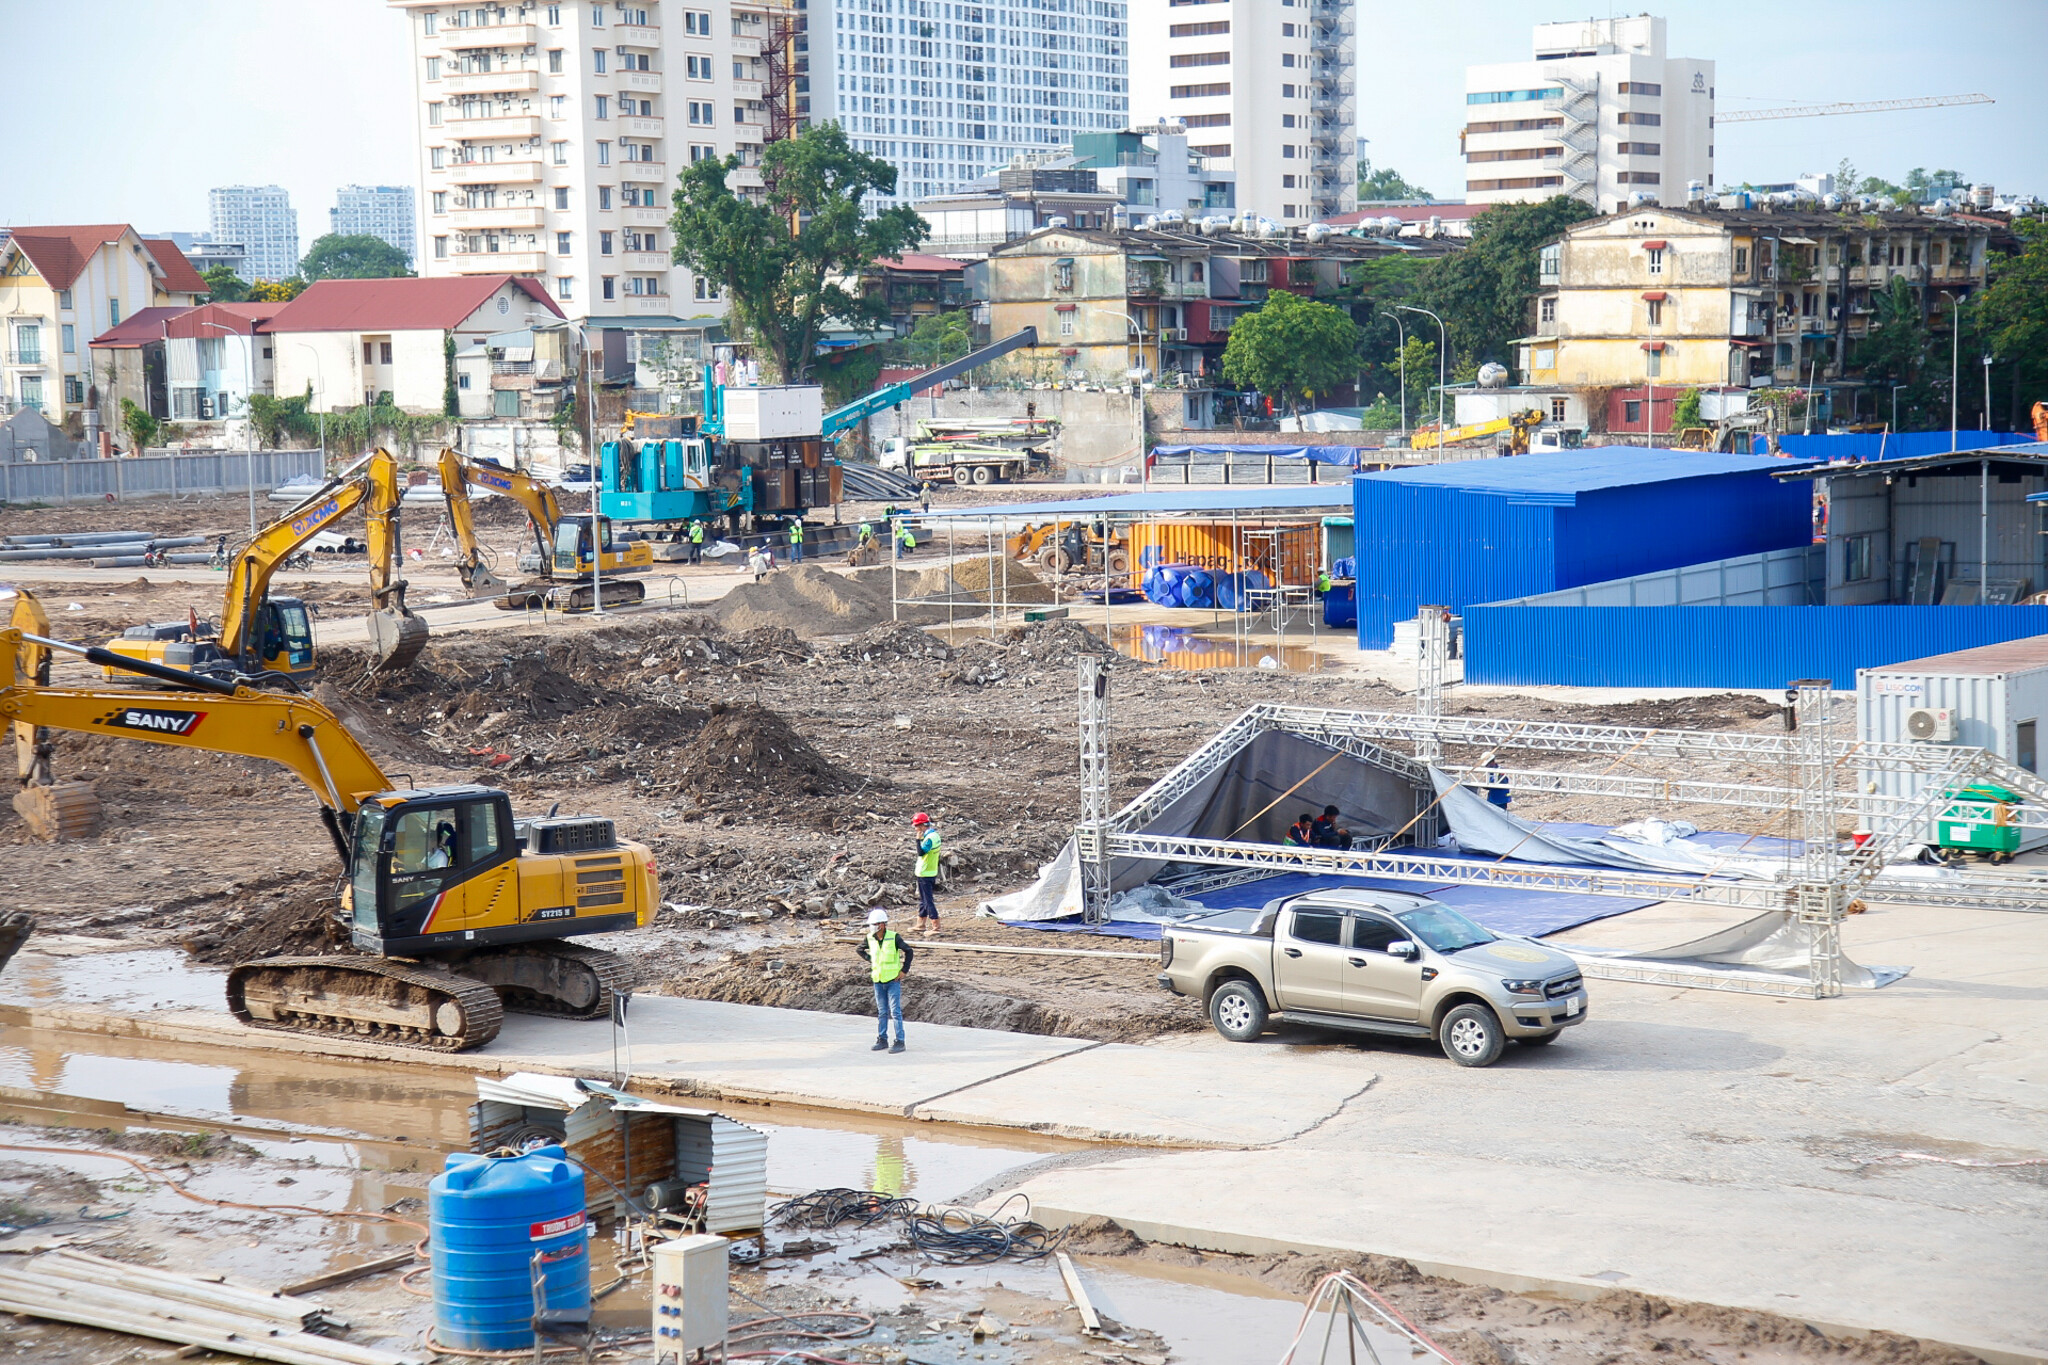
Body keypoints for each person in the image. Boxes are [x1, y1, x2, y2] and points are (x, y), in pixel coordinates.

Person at [857, 908, 913, 1052]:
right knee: (882, 1012)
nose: (872, 927)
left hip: (893, 980)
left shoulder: (894, 937)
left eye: (874, 924)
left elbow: (909, 951)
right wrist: (871, 959)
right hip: (878, 980)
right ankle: (882, 1039)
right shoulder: (870, 938)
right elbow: (859, 950)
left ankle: (900, 1041)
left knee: (895, 1012)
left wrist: (904, 970)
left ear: (882, 925)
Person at [911, 812, 941, 932]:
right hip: (931, 871)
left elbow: (921, 853)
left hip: (925, 873)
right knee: (924, 901)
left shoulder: (928, 839)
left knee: (928, 901)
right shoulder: (935, 835)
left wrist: (918, 840)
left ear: (922, 825)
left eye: (916, 826)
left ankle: (936, 926)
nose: (915, 829)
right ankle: (921, 924)